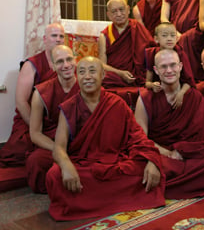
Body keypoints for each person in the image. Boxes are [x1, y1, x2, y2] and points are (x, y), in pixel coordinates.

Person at [46, 57, 165, 221]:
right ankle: (120, 197)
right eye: (81, 72)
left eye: (92, 71)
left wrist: (152, 160)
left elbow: (139, 137)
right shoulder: (69, 107)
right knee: (55, 175)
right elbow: (59, 147)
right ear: (76, 77)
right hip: (84, 164)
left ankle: (86, 201)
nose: (87, 76)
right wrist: (66, 166)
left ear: (103, 75)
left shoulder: (117, 103)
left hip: (115, 162)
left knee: (145, 167)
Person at [135, 49, 204, 199]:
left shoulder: (194, 97)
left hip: (189, 154)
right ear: (156, 70)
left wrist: (182, 150)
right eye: (163, 66)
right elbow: (140, 138)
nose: (169, 70)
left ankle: (163, 183)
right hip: (161, 153)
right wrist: (167, 153)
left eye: (173, 65)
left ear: (180, 66)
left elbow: (203, 138)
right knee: (138, 166)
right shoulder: (145, 98)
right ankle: (200, 178)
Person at [0, 22, 65, 167]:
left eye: (61, 36)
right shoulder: (32, 65)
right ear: (45, 39)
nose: (58, 39)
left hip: (56, 119)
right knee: (21, 148)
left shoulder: (66, 64)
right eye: (54, 35)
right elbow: (21, 102)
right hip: (32, 119)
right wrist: (37, 128)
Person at [26, 45, 79, 193]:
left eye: (69, 59)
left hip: (82, 143)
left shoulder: (86, 85)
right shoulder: (41, 92)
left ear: (75, 60)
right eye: (60, 61)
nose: (66, 65)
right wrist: (59, 151)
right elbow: (35, 133)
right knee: (35, 162)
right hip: (53, 144)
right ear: (53, 66)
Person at [98, 0, 154, 88]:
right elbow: (102, 64)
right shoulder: (105, 35)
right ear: (108, 15)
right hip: (116, 76)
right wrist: (120, 73)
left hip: (139, 75)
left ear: (128, 10)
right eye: (114, 11)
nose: (119, 14)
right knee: (103, 79)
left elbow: (151, 52)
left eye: (121, 9)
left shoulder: (137, 27)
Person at [145, 22, 195, 108]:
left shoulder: (180, 54)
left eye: (172, 35)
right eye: (164, 35)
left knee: (193, 95)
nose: (169, 39)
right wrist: (153, 85)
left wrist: (181, 93)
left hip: (179, 90)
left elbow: (189, 81)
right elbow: (147, 82)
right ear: (156, 39)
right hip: (160, 92)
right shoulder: (152, 54)